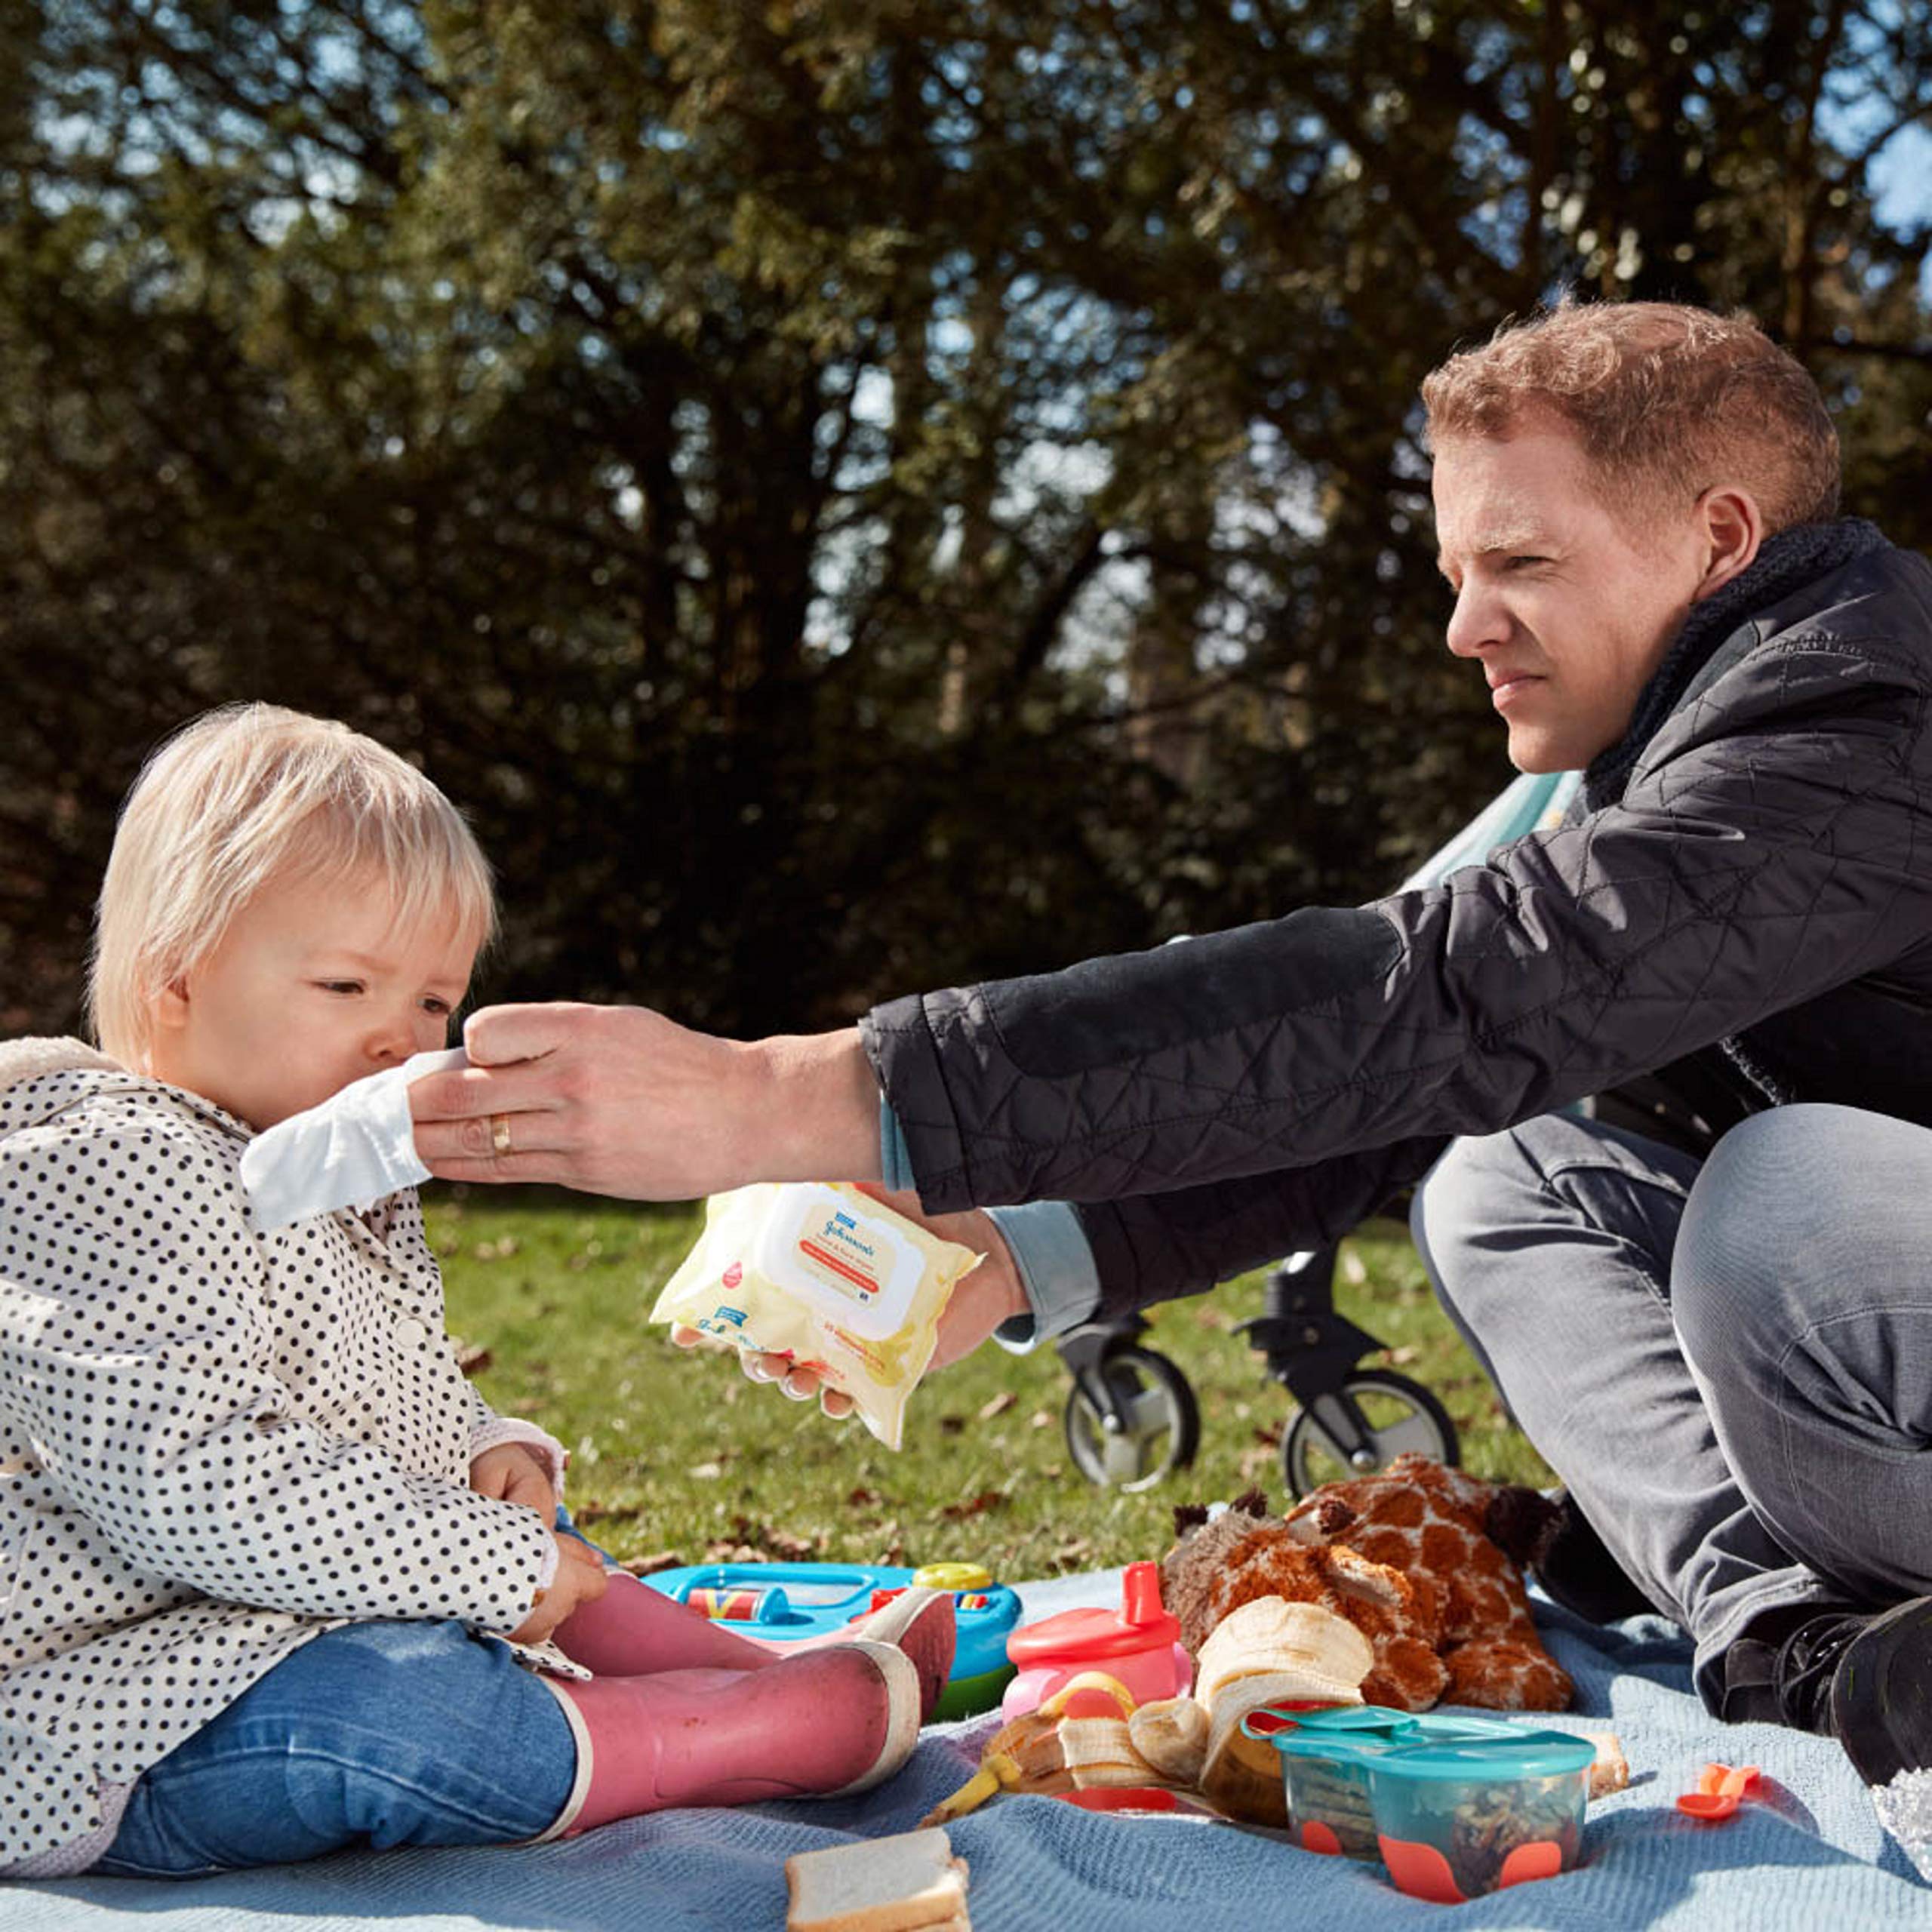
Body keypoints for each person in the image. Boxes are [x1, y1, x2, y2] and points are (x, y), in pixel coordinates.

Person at [411, 300, 1932, 1792]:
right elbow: (1395, 1081)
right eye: (1456, 570)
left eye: (1518, 563)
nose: (1462, 625)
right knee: (1499, 1173)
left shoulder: (1864, 719)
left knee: (1776, 1192)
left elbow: (1446, 992)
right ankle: (1799, 1647)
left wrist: (784, 1094)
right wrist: (1008, 1248)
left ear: (1720, 539)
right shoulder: (1667, 752)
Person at [0, 704, 954, 1881]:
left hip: (294, 1603)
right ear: (175, 980)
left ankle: (745, 1671)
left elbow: (380, 1380)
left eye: (431, 1006)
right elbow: (196, 1477)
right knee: (392, 1710)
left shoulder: (323, 1175)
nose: (396, 1045)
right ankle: (719, 1733)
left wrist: (484, 1450)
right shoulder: (102, 1168)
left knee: (522, 1537)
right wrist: (496, 1570)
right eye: (346, 987)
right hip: (109, 1708)